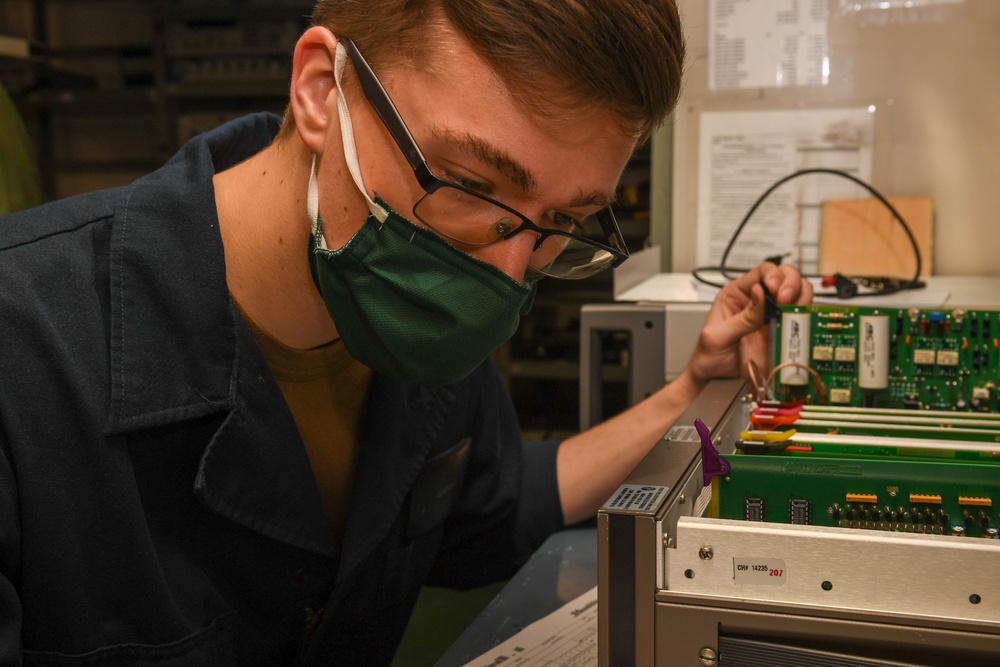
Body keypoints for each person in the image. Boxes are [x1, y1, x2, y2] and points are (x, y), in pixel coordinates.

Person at [0, 0, 811, 664]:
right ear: (322, 90)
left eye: (562, 222)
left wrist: (691, 390)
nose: (505, 275)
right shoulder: (26, 348)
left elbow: (495, 508)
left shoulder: (417, 321)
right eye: (470, 183)